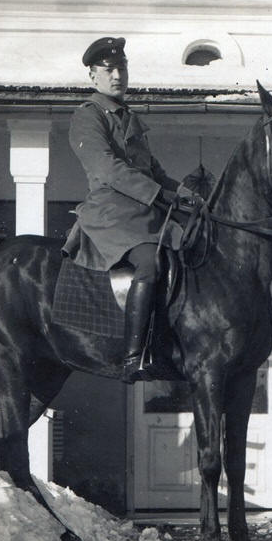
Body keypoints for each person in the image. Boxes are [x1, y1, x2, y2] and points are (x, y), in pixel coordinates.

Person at [62, 36, 195, 382]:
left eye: (121, 68)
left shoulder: (128, 117)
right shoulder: (89, 116)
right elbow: (107, 168)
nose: (117, 76)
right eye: (108, 70)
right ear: (93, 76)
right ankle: (134, 356)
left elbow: (154, 171)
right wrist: (157, 194)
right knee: (150, 261)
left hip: (144, 211)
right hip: (111, 212)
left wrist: (185, 195)